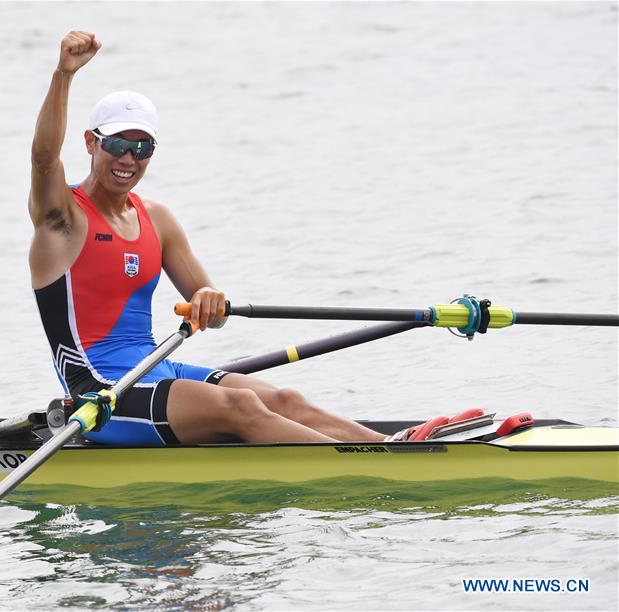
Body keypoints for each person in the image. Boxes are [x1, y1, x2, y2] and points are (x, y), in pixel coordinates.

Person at [28, 31, 443, 445]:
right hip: (100, 395)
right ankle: (372, 465)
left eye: (143, 148)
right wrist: (63, 75)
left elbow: (214, 307)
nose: (128, 158)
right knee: (243, 407)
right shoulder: (62, 219)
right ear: (90, 143)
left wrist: (209, 298)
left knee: (284, 398)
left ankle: (393, 447)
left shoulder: (157, 219)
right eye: (118, 143)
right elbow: (44, 159)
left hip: (159, 370)